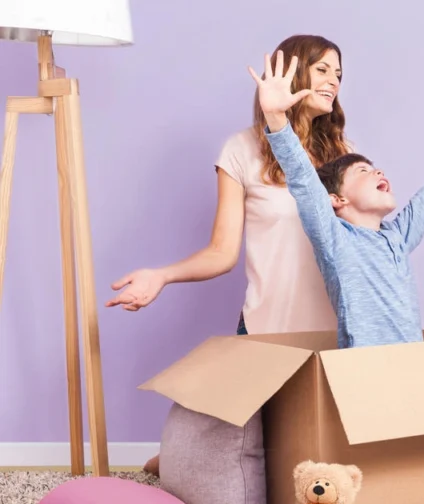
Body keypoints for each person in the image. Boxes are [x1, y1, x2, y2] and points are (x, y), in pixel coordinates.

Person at [105, 35, 354, 476]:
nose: (333, 80)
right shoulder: (241, 150)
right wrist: (162, 276)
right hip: (268, 327)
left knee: (317, 469)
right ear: (292, 71)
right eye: (322, 69)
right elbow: (222, 253)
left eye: (339, 73)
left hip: (336, 328)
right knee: (229, 463)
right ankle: (179, 459)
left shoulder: (343, 153)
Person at [249, 52, 424, 349]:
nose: (378, 171)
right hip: (366, 370)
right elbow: (303, 179)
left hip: (412, 369)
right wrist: (277, 118)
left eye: (376, 167)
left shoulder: (398, 237)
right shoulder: (334, 239)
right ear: (337, 199)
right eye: (363, 170)